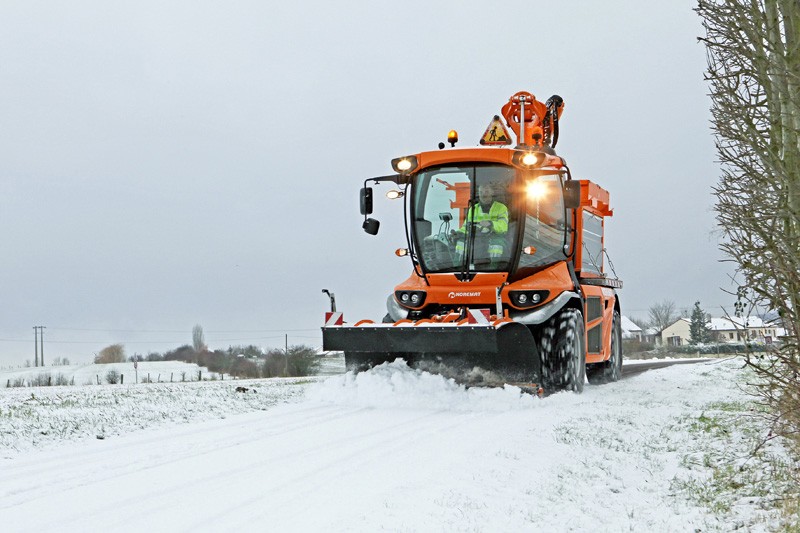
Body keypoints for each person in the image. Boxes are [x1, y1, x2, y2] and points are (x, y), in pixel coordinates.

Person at [452, 183, 509, 263]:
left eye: (486, 191)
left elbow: (503, 227)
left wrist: (490, 224)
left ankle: (493, 271)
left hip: (495, 237)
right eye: (481, 192)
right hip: (476, 238)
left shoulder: (501, 208)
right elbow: (466, 227)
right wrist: (458, 233)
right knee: (460, 243)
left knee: (496, 246)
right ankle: (457, 269)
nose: (483, 194)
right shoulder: (473, 209)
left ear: (492, 192)